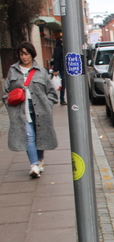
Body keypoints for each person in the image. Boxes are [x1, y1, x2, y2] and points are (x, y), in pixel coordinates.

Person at [2, 42, 59, 178]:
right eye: (21, 54)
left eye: (26, 54)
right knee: (29, 136)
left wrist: (48, 104)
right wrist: (9, 106)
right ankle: (34, 165)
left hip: (40, 109)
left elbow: (51, 92)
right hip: (21, 109)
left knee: (40, 135)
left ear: (32, 54)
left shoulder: (41, 71)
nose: (24, 57)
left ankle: (40, 160)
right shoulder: (13, 70)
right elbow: (6, 93)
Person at [53, 38, 66, 105]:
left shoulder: (61, 48)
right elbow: (56, 59)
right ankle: (62, 99)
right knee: (63, 84)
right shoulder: (58, 49)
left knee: (64, 84)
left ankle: (62, 99)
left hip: (63, 68)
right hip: (62, 68)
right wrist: (56, 70)